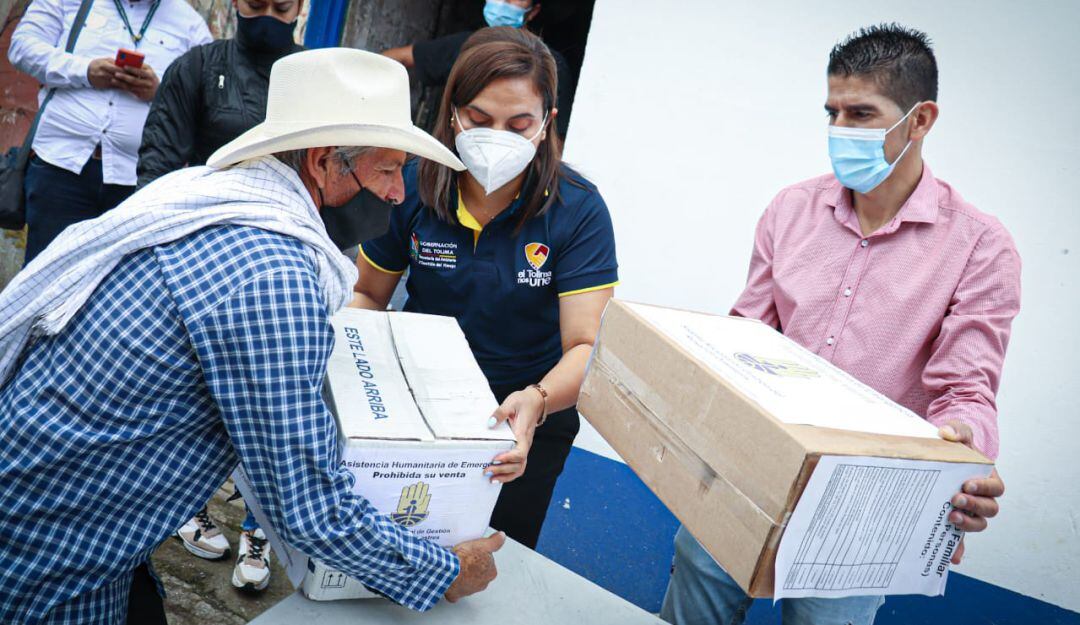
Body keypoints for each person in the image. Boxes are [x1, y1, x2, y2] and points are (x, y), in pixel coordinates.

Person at [0, 48, 505, 624]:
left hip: (70, 514)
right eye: (388, 170)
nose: (397, 193)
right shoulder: (274, 274)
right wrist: (441, 571)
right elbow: (308, 504)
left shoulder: (211, 199)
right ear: (323, 163)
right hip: (49, 563)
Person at [659, 24, 1020, 625]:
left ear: (921, 119)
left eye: (861, 113)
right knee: (692, 602)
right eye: (832, 112)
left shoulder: (981, 248)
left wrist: (961, 456)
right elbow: (743, 339)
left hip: (864, 509)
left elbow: (967, 393)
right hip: (747, 475)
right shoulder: (790, 210)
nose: (840, 131)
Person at [353, 27, 618, 550]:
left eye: (519, 124)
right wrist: (365, 389)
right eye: (478, 120)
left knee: (497, 562)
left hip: (525, 422)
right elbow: (366, 296)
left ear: (547, 124)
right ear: (452, 113)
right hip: (417, 413)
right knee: (396, 551)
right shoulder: (411, 184)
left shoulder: (578, 210)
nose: (497, 137)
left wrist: (537, 402)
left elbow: (587, 346)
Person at [135, 0, 308, 597]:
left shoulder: (316, 82)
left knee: (272, 415)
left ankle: (259, 532)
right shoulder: (196, 69)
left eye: (279, 5)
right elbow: (158, 171)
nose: (265, 15)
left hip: (284, 277)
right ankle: (186, 508)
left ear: (301, 8)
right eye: (254, 2)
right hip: (202, 272)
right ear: (235, 3)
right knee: (189, 408)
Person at [8, 0, 211, 265]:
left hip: (137, 182)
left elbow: (205, 96)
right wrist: (85, 70)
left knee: (116, 289)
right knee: (45, 277)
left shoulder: (190, 24)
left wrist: (160, 91)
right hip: (60, 168)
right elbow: (22, 47)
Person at [381, 2, 575, 136]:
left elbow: (558, 139)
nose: (502, 3)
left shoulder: (550, 66)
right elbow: (399, 57)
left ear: (533, 10)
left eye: (518, 125)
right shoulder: (466, 46)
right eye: (478, 118)